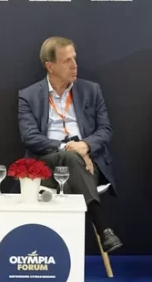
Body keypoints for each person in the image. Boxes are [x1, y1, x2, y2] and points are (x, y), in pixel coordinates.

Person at [17, 37, 122, 253]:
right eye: (67, 61)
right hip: (47, 162)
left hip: (87, 163)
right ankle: (103, 228)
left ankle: (58, 250)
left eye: (74, 58)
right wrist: (68, 147)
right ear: (50, 66)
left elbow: (105, 129)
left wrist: (85, 145)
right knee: (71, 156)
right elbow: (30, 137)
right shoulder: (28, 96)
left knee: (72, 163)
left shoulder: (91, 90)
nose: (75, 65)